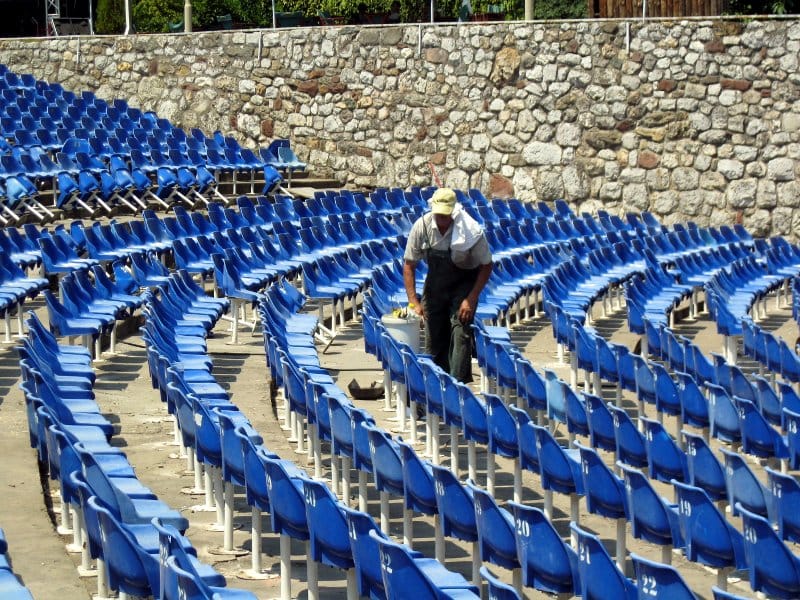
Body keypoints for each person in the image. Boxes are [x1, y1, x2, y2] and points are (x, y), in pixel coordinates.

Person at [403, 188, 493, 383]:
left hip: (463, 285)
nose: (442, 218)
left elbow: (486, 265)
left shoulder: (470, 230)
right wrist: (413, 302)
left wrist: (471, 298)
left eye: (446, 214)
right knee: (434, 337)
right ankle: (435, 387)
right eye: (438, 213)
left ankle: (457, 386)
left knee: (460, 332)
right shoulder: (423, 227)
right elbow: (409, 265)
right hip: (435, 288)